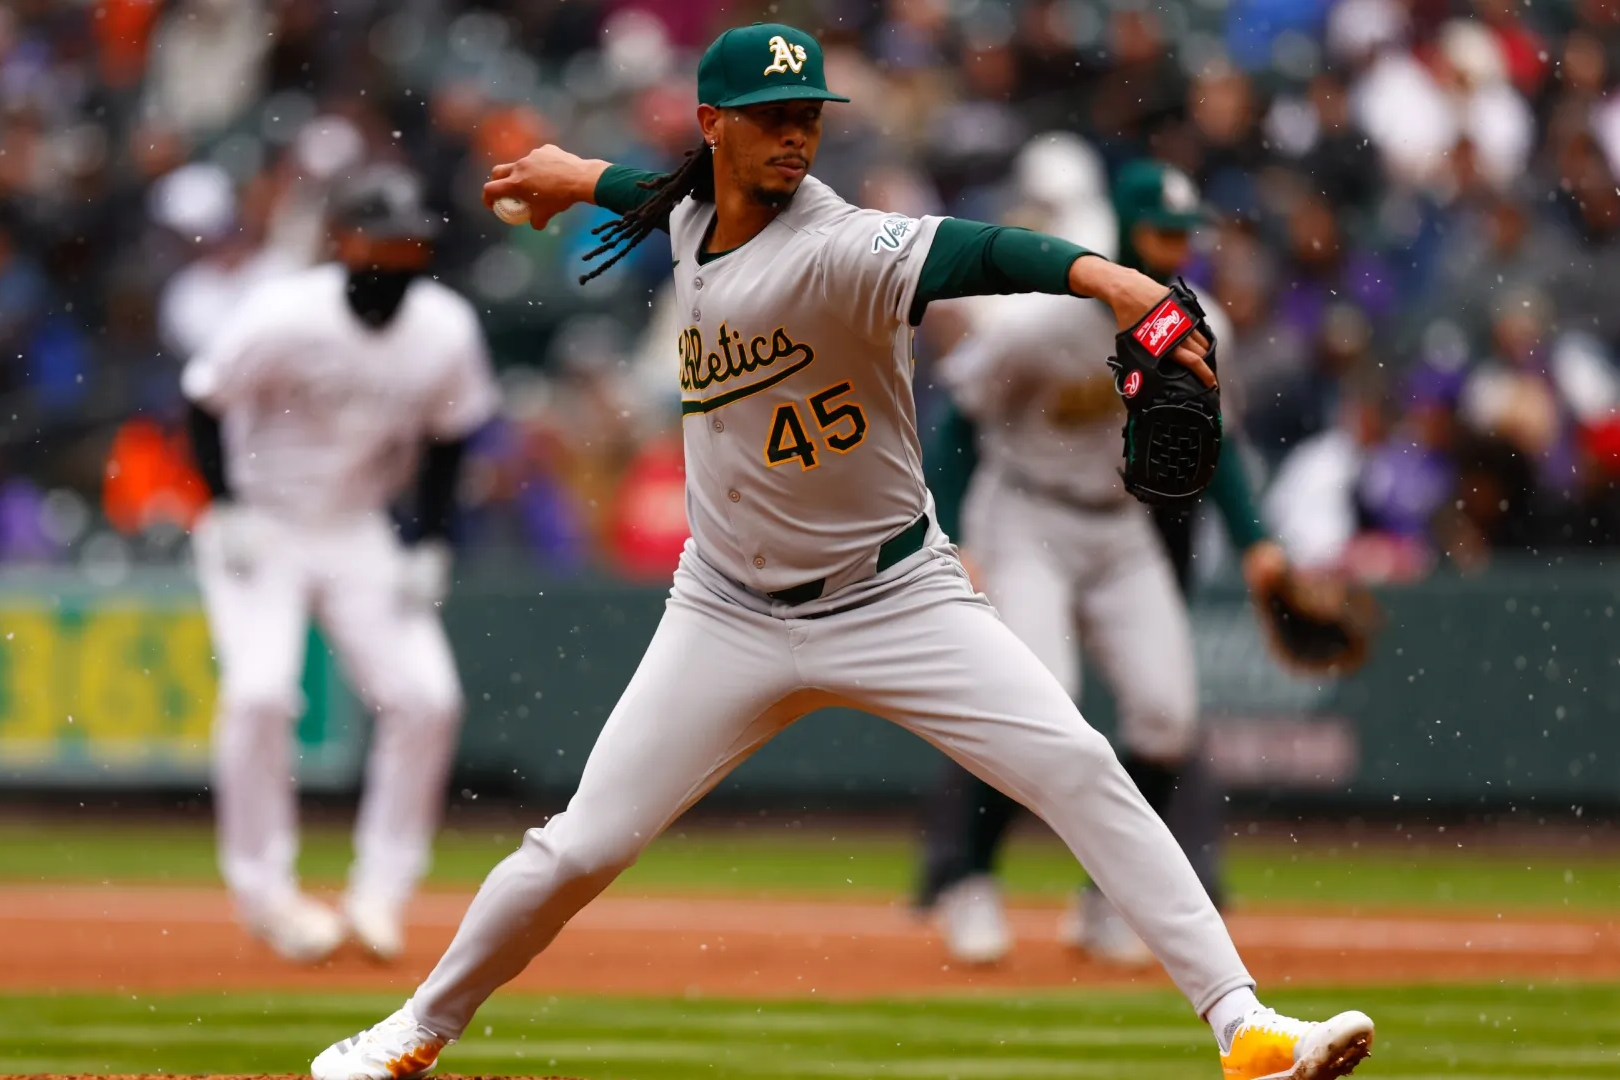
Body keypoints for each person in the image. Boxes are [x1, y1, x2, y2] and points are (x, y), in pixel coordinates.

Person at [312, 25, 1372, 1080]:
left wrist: (1109, 280)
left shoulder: (840, 243)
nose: (795, 137)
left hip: (894, 595)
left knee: (1082, 764)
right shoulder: (692, 211)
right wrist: (573, 176)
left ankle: (1247, 1027)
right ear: (714, 124)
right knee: (581, 846)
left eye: (809, 116)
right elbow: (666, 191)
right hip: (724, 610)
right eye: (773, 117)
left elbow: (978, 249)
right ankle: (412, 1032)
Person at [913, 158, 1291, 967]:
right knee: (1041, 708)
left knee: (1165, 718)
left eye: (1186, 236)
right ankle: (969, 880)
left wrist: (1258, 542)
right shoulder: (1046, 319)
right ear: (1123, 231)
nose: (1175, 250)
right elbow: (959, 425)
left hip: (1122, 528)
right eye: (1161, 233)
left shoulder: (1193, 318)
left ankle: (1104, 900)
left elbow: (1214, 443)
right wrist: (953, 536)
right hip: (1026, 515)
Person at [183, 164, 498, 964]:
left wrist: (430, 539)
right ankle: (266, 898)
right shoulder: (285, 314)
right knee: (258, 695)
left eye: (410, 243)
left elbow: (450, 435)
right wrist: (223, 504)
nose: (397, 257)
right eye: (381, 241)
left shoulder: (445, 327)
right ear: (343, 242)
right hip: (262, 521)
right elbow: (203, 396)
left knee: (427, 698)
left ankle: (381, 895)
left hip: (358, 527)